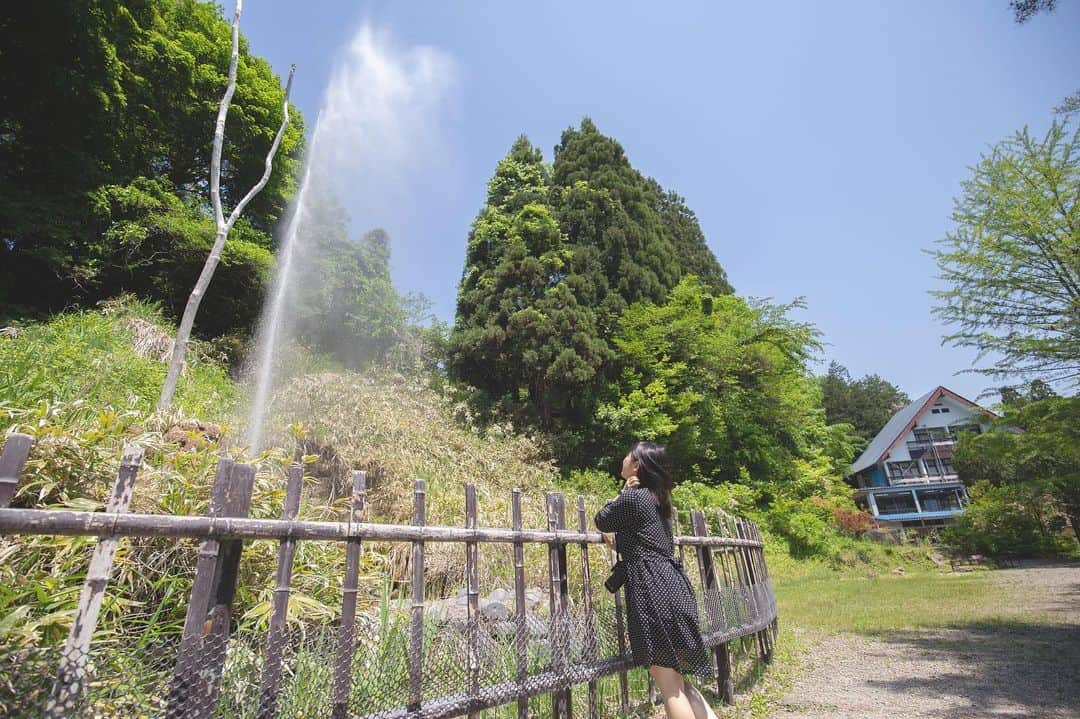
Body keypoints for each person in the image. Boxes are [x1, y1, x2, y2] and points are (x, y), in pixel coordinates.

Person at [595, 441, 719, 719]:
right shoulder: (658, 501)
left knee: (669, 686)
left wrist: (619, 495)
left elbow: (602, 520)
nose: (624, 458)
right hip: (674, 587)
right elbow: (649, 544)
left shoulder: (633, 497)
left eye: (629, 455)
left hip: (653, 592)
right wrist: (619, 545)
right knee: (680, 681)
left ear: (636, 466)